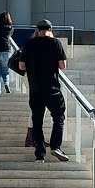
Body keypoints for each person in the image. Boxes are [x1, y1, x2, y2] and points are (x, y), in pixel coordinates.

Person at [21, 19, 68, 161]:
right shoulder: (55, 43)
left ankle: (40, 153)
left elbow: (22, 66)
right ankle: (55, 147)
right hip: (52, 88)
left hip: (35, 89)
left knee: (37, 121)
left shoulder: (29, 44)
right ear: (50, 29)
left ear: (37, 30)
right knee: (58, 117)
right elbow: (63, 65)